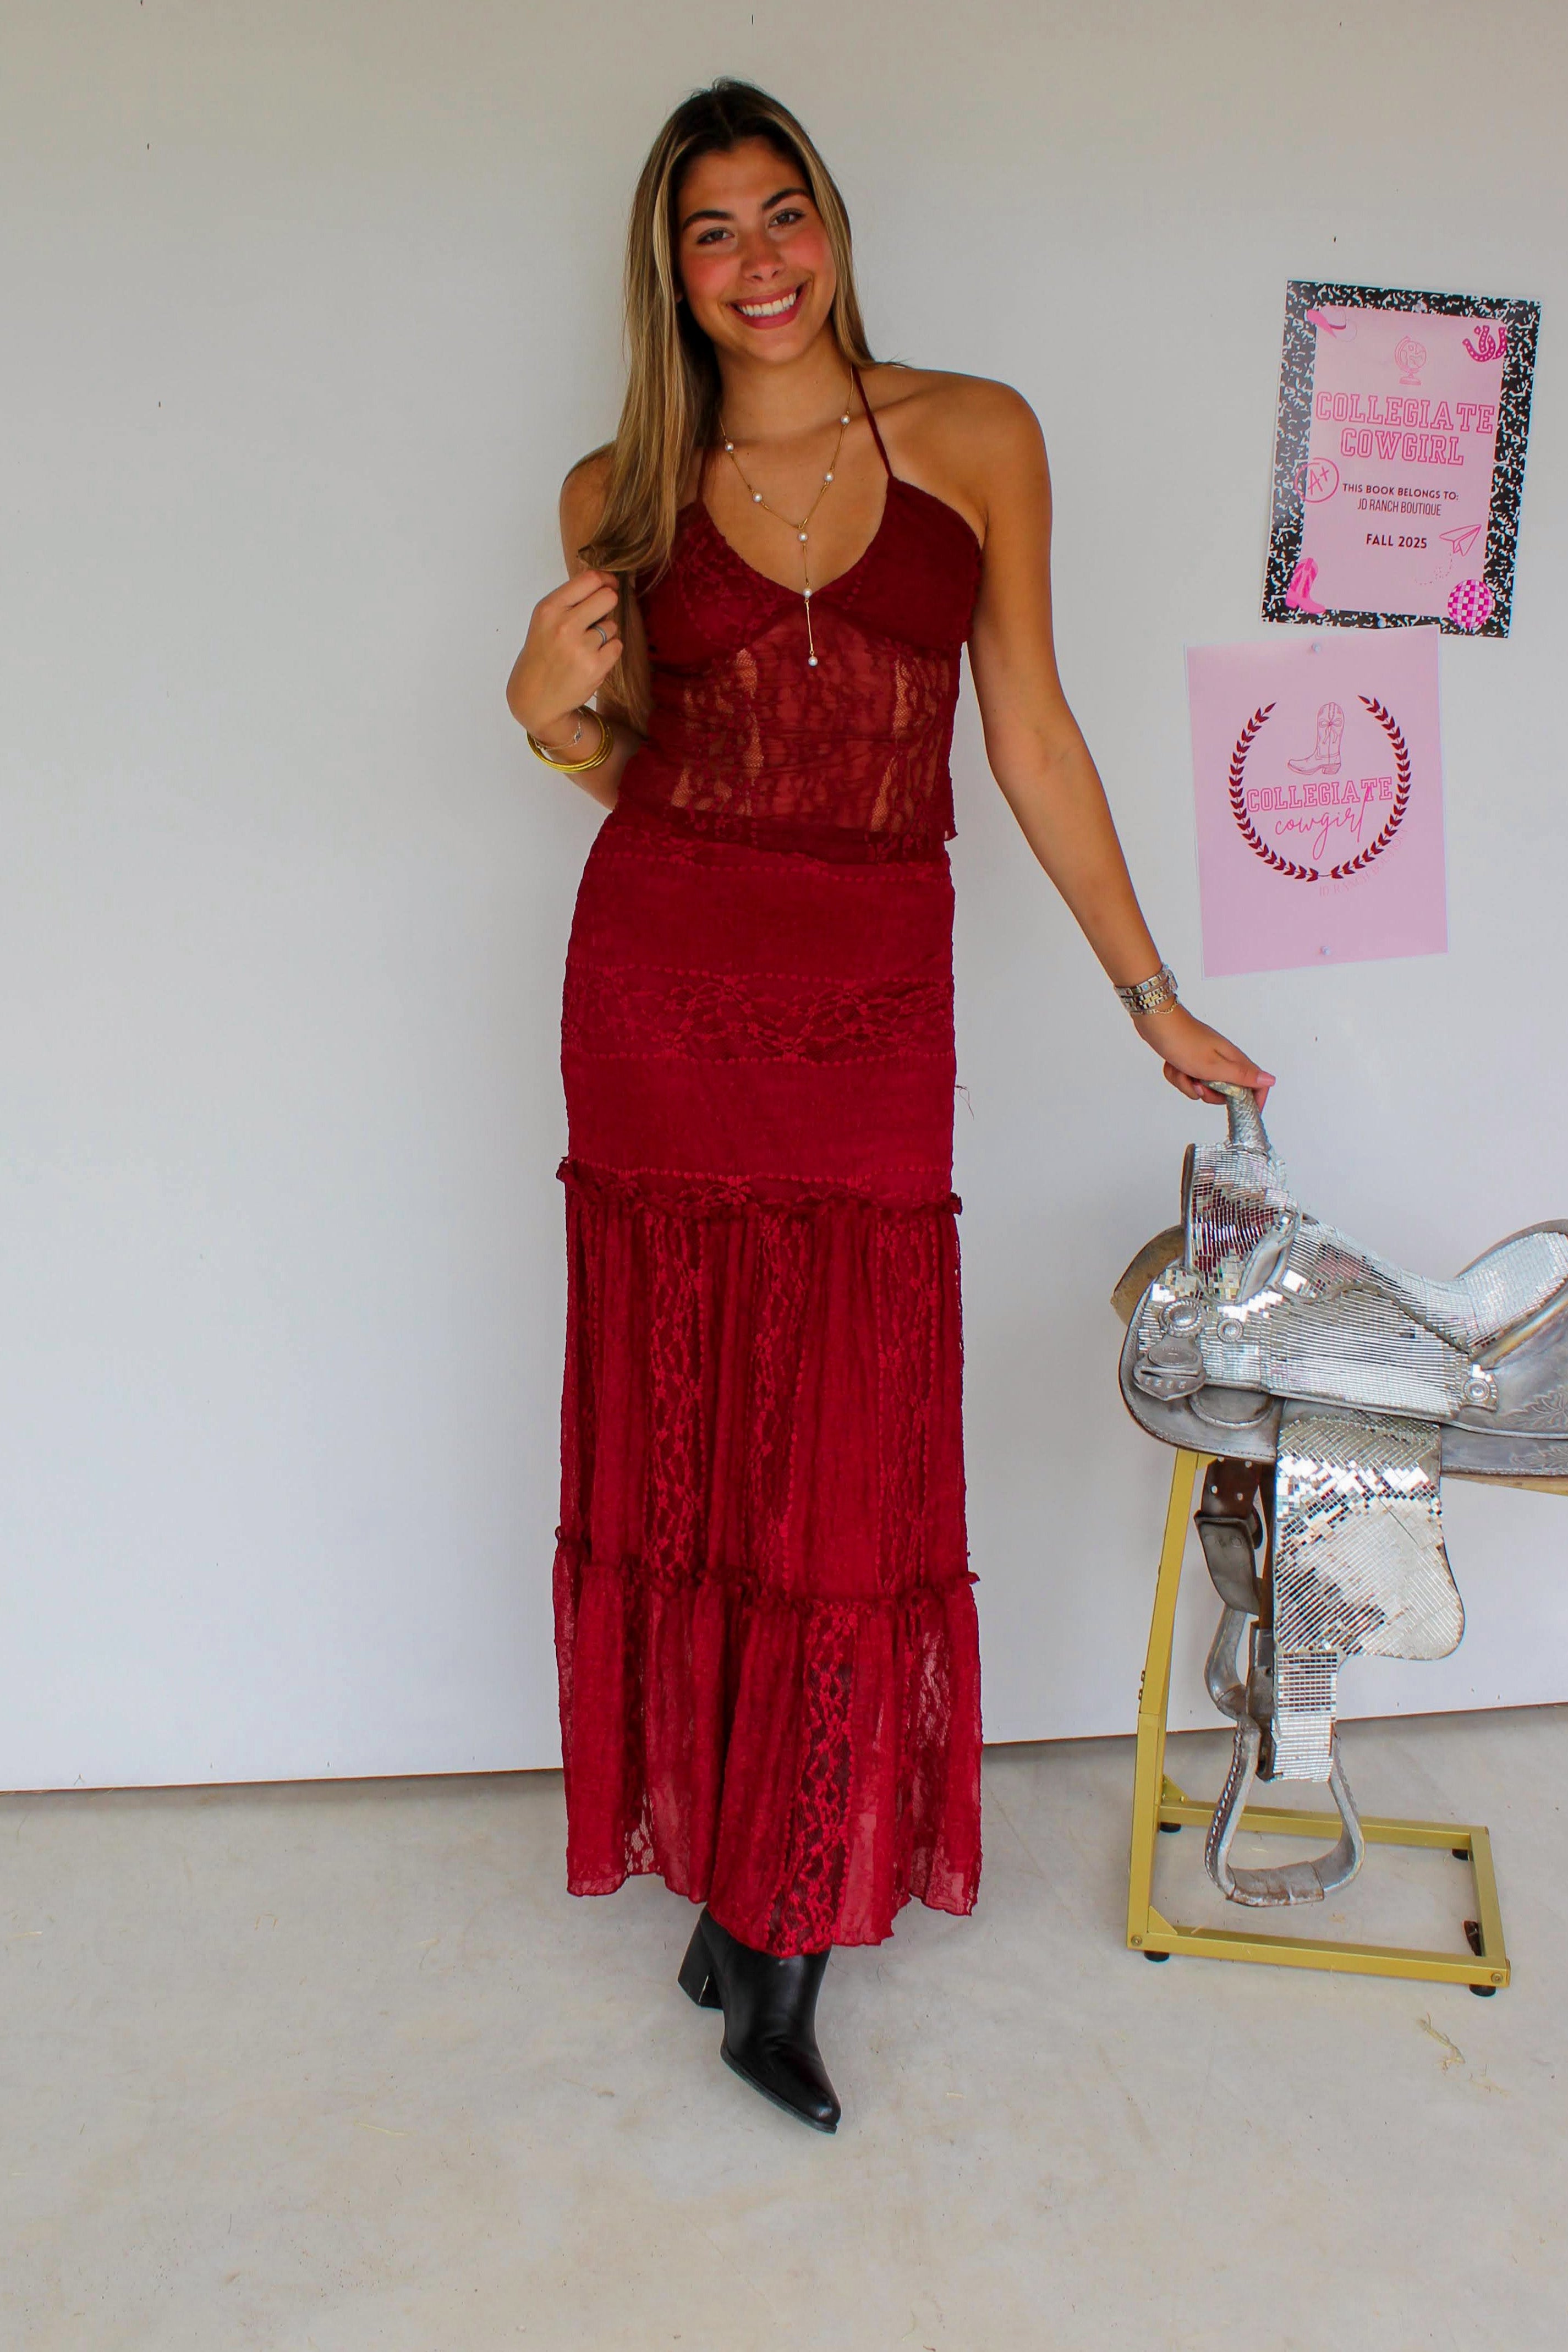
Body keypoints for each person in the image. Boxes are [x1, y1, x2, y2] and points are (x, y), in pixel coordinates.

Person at [506, 79, 1272, 2135]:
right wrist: (538, 712)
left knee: (834, 1436)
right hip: (664, 986)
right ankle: (748, 1906)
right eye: (710, 234)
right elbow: (644, 771)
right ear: (666, 273)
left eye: (784, 216)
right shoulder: (617, 488)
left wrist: (1149, 990)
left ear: (831, 226)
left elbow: (1024, 730)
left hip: (869, 1003)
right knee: (689, 1420)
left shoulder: (975, 435)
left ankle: (773, 1889)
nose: (758, 265)